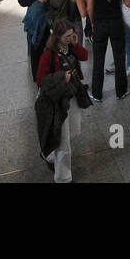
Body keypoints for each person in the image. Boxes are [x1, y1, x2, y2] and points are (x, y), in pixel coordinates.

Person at [34, 19, 89, 182]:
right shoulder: (48, 55)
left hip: (72, 93)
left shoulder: (71, 47)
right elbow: (40, 80)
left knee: (75, 131)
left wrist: (76, 44)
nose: (70, 38)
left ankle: (50, 155)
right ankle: (63, 177)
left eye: (72, 35)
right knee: (63, 143)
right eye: (67, 36)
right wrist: (61, 78)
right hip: (57, 101)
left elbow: (84, 56)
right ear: (57, 36)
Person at [87, 0, 130, 102]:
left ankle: (97, 93)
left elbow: (89, 8)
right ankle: (121, 91)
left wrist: (93, 22)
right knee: (119, 58)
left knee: (98, 60)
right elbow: (128, 1)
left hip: (100, 25)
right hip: (116, 24)